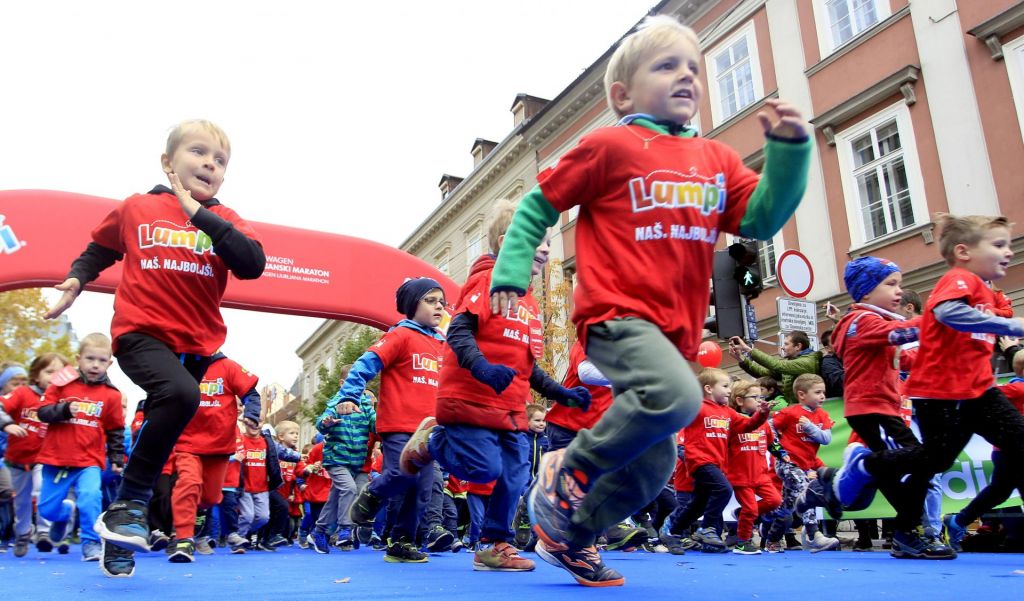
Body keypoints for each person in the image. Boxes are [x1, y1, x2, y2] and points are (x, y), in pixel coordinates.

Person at [487, 14, 811, 587]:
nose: (686, 76)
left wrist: (788, 153)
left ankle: (571, 535)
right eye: (667, 66)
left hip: (674, 332)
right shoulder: (609, 145)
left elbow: (760, 217)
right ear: (622, 93)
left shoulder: (716, 160)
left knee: (655, 462)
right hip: (614, 312)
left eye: (694, 67)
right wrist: (512, 270)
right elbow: (540, 203)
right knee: (676, 396)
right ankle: (567, 469)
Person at [44, 119, 265, 577]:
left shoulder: (224, 220)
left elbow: (252, 264)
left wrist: (198, 214)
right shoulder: (137, 208)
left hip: (197, 347)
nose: (210, 163)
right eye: (198, 153)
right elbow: (101, 248)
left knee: (175, 420)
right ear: (168, 162)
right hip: (141, 334)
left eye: (220, 160)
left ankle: (122, 526)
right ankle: (129, 506)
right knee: (183, 395)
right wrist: (77, 278)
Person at [400, 199, 590, 572]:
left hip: (509, 410)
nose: (547, 249)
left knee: (517, 475)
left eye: (549, 241)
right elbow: (458, 331)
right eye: (538, 240)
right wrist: (483, 368)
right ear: (507, 242)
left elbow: (527, 365)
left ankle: (493, 545)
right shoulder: (487, 279)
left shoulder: (530, 302)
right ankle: (433, 441)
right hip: (469, 402)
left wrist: (560, 393)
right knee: (485, 471)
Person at [835, 215, 1024, 561]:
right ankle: (870, 471)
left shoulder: (982, 288)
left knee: (937, 463)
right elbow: (940, 316)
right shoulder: (956, 280)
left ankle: (915, 526)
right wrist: (1005, 323)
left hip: (974, 388)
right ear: (964, 251)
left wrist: (1002, 318)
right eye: (998, 245)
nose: (1009, 252)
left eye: (1009, 244)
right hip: (919, 395)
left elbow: (916, 348)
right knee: (927, 462)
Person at [829, 257, 954, 559]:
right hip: (872, 407)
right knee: (926, 460)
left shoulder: (874, 321)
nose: (900, 291)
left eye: (899, 283)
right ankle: (864, 469)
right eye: (891, 284)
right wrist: (943, 318)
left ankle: (905, 533)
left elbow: (901, 359)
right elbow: (899, 335)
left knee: (896, 473)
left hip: (880, 407)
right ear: (867, 291)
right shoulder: (862, 321)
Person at [345, 278, 447, 564]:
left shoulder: (443, 345)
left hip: (431, 431)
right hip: (400, 425)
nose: (439, 305)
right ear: (412, 304)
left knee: (422, 489)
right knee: (404, 475)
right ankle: (374, 492)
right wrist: (350, 394)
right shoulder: (400, 335)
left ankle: (401, 541)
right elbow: (366, 363)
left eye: (442, 301)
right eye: (430, 300)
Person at [36, 333, 125, 564]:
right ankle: (63, 514)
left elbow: (116, 429)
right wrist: (65, 410)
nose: (95, 365)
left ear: (110, 363)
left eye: (101, 360)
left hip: (89, 460)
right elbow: (42, 412)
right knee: (46, 510)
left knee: (89, 497)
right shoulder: (61, 383)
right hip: (57, 458)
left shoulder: (112, 395)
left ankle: (91, 543)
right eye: (89, 358)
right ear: (78, 359)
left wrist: (116, 457)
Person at [660, 368, 771, 553]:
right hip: (699, 460)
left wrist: (762, 414)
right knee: (723, 489)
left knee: (697, 505)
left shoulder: (727, 412)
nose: (729, 390)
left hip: (716, 462)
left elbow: (748, 426)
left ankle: (673, 532)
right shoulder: (697, 407)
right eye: (725, 386)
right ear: (709, 389)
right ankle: (708, 528)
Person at [166, 354, 260, 563]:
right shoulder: (179, 365)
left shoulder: (227, 367)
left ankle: (197, 511)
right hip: (187, 442)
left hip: (219, 446)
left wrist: (252, 414)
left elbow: (251, 393)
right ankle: (183, 538)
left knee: (209, 498)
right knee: (188, 483)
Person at [944, 340, 1024, 550]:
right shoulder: (1016, 388)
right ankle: (959, 520)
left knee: (999, 491)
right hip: (1010, 450)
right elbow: (988, 396)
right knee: (1000, 490)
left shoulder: (1016, 387)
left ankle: (959, 520)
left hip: (1006, 450)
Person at [1, 352, 68, 556]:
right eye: (49, 372)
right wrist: (8, 424)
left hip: (44, 458)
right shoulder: (23, 393)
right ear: (36, 375)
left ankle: (44, 532)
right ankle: (22, 533)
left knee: (41, 490)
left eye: (59, 373)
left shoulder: (63, 399)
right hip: (18, 460)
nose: (53, 377)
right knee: (21, 502)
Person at [763, 373, 839, 553]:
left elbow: (826, 438)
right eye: (817, 392)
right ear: (801, 395)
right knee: (807, 490)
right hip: (787, 463)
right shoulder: (791, 412)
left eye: (823, 392)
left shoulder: (822, 415)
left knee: (788, 506)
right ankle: (813, 534)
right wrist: (776, 446)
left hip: (805, 465)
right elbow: (770, 425)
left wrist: (810, 428)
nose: (822, 396)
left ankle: (770, 533)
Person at [310, 381, 376, 554]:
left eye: (362, 384)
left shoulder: (366, 406)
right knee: (349, 488)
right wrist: (327, 423)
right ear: (342, 384)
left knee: (335, 498)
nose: (359, 388)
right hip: (336, 459)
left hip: (356, 462)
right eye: (356, 381)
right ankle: (345, 529)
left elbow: (376, 425)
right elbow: (321, 424)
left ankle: (319, 531)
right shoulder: (336, 402)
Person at [726, 379, 782, 555]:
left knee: (775, 501)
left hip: (761, 475)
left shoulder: (764, 423)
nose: (760, 400)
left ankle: (742, 513)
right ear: (740, 401)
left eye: (761, 396)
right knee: (751, 509)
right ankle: (743, 542)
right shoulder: (733, 421)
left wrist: (784, 455)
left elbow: (773, 444)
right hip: (741, 476)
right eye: (755, 397)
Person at [731, 331, 822, 405]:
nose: (782, 347)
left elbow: (777, 365)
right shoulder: (792, 363)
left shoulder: (807, 362)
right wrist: (741, 358)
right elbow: (762, 373)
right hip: (796, 408)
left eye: (786, 344)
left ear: (798, 346)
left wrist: (747, 349)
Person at [236, 420, 282, 550]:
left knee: (263, 518)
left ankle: (243, 533)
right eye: (251, 419)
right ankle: (239, 540)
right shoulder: (240, 440)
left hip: (262, 487)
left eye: (259, 420)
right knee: (247, 516)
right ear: (245, 422)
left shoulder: (267, 442)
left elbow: (279, 454)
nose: (254, 423)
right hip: (245, 486)